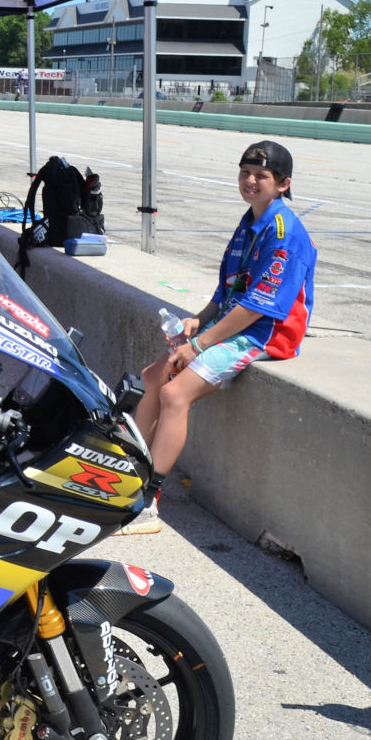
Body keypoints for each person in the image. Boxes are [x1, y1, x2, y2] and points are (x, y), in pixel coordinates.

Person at [131, 140, 315, 533]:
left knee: (174, 394)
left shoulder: (283, 232)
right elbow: (229, 291)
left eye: (261, 176)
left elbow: (257, 309)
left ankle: (148, 502)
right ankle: (127, 474)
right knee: (152, 377)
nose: (250, 181)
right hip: (234, 322)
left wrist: (198, 345)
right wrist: (197, 322)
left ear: (283, 184)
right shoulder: (249, 220)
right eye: (245, 173)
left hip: (266, 333)